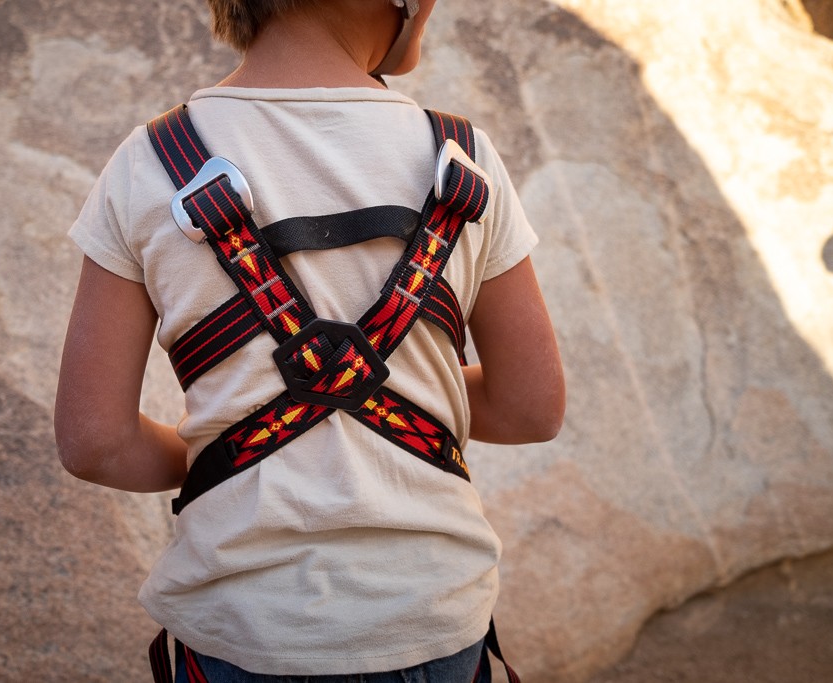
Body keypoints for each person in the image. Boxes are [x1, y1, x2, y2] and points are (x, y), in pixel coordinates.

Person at [54, 0, 565, 680]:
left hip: (243, 625)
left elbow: (95, 440)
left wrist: (223, 440)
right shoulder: (463, 161)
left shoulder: (151, 161)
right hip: (430, 615)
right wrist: (409, 385)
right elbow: (531, 405)